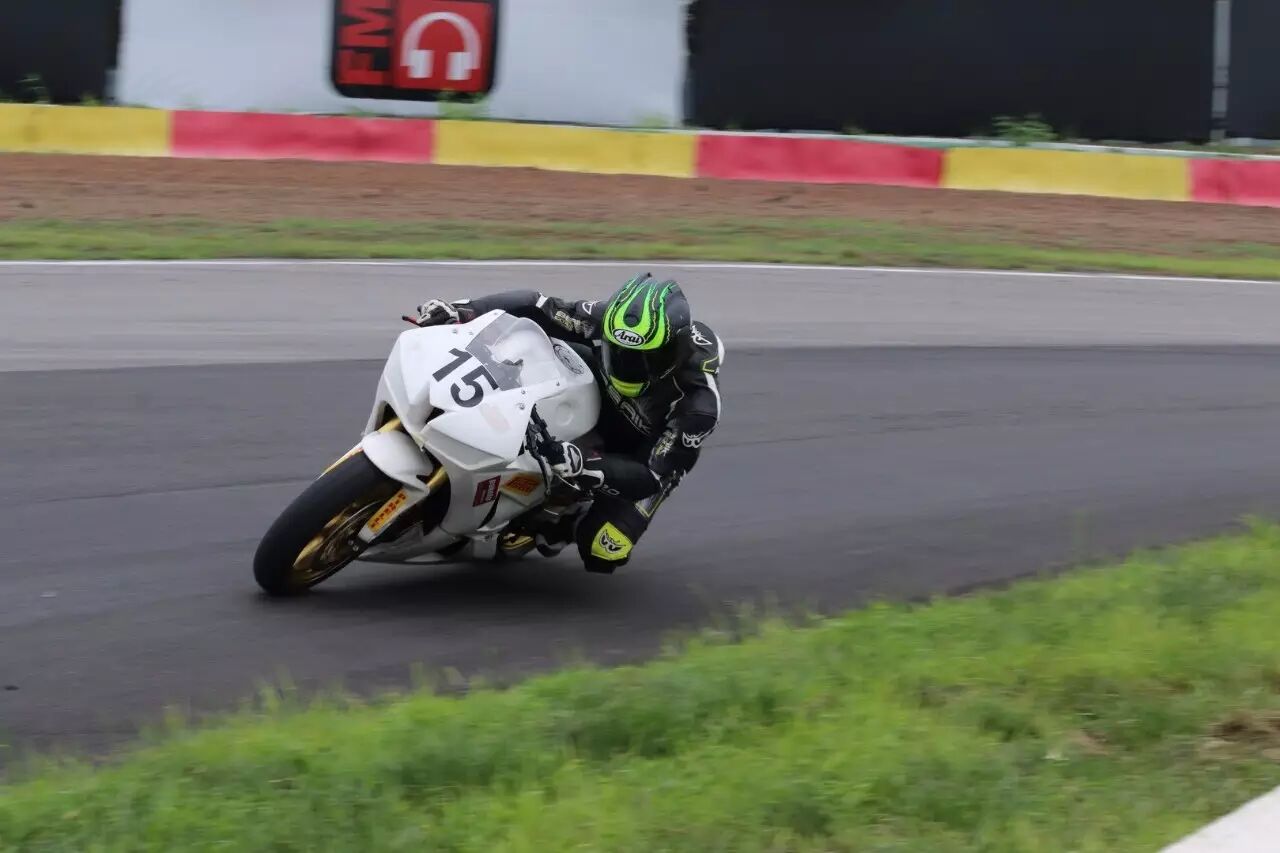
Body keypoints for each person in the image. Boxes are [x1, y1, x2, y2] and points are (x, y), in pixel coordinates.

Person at [414, 273, 724, 573]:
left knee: (603, 548)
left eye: (642, 359)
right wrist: (462, 311)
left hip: (644, 453)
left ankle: (563, 521)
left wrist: (585, 466)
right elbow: (537, 305)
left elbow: (651, 475)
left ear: (671, 353)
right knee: (533, 345)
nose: (627, 365)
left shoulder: (698, 406)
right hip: (597, 398)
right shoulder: (603, 320)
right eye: (619, 352)